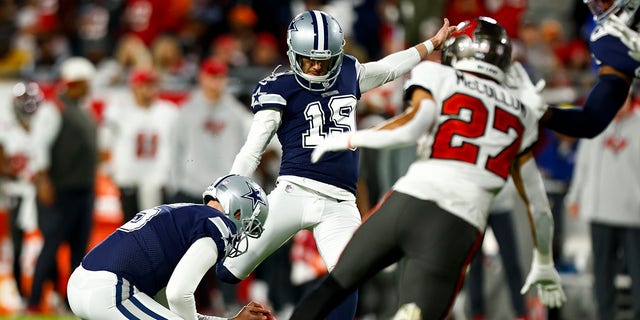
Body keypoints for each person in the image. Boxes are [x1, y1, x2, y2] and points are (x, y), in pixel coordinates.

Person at [290, 17, 566, 320]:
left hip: (408, 200)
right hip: (456, 223)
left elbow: (411, 127)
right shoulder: (522, 110)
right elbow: (539, 205)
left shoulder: (435, 74)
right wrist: (544, 261)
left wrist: (351, 138)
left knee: (331, 289)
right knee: (413, 313)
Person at [215, 9, 454, 319]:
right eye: (309, 59)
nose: (316, 66)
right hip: (293, 191)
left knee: (348, 278)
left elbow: (389, 68)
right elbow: (252, 150)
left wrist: (430, 44)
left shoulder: (349, 72)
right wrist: (230, 194)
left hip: (340, 202)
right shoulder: (279, 87)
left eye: (324, 59)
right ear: (292, 53)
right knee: (228, 269)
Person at [66, 174, 274, 320]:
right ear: (238, 212)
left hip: (82, 284)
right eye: (248, 225)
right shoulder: (217, 224)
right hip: (111, 291)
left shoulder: (183, 214)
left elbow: (171, 309)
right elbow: (178, 294)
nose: (242, 234)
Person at [27, 56, 100, 312]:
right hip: (60, 190)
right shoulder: (54, 109)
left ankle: (72, 304)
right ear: (75, 83)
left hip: (83, 189)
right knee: (52, 246)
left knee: (79, 251)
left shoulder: (82, 109)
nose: (89, 87)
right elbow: (39, 146)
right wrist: (44, 181)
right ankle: (34, 302)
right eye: (85, 82)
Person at [564, 89, 640, 320]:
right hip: (600, 211)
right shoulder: (596, 125)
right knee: (602, 271)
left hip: (634, 214)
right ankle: (605, 315)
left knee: (638, 272)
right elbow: (583, 165)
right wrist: (574, 196)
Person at [536, 0, 639, 138]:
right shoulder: (610, 42)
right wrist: (540, 112)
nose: (602, 8)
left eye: (605, 0)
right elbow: (591, 121)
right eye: (596, 4)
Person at [100, 68, 179, 223]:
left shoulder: (168, 112)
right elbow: (104, 144)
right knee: (130, 231)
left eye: (152, 85)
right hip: (130, 181)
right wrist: (111, 170)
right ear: (134, 87)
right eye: (145, 85)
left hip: (159, 181)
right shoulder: (118, 111)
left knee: (160, 231)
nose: (149, 90)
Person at [0, 82, 46, 300]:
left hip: (41, 192)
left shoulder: (44, 127)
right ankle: (21, 294)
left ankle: (49, 292)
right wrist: (18, 173)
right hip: (17, 192)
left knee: (49, 242)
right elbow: (2, 165)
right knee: (17, 245)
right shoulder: (7, 131)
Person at [467, 179, 528, 320]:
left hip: (501, 205)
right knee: (474, 263)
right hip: (476, 204)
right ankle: (477, 314)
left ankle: (522, 313)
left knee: (511, 262)